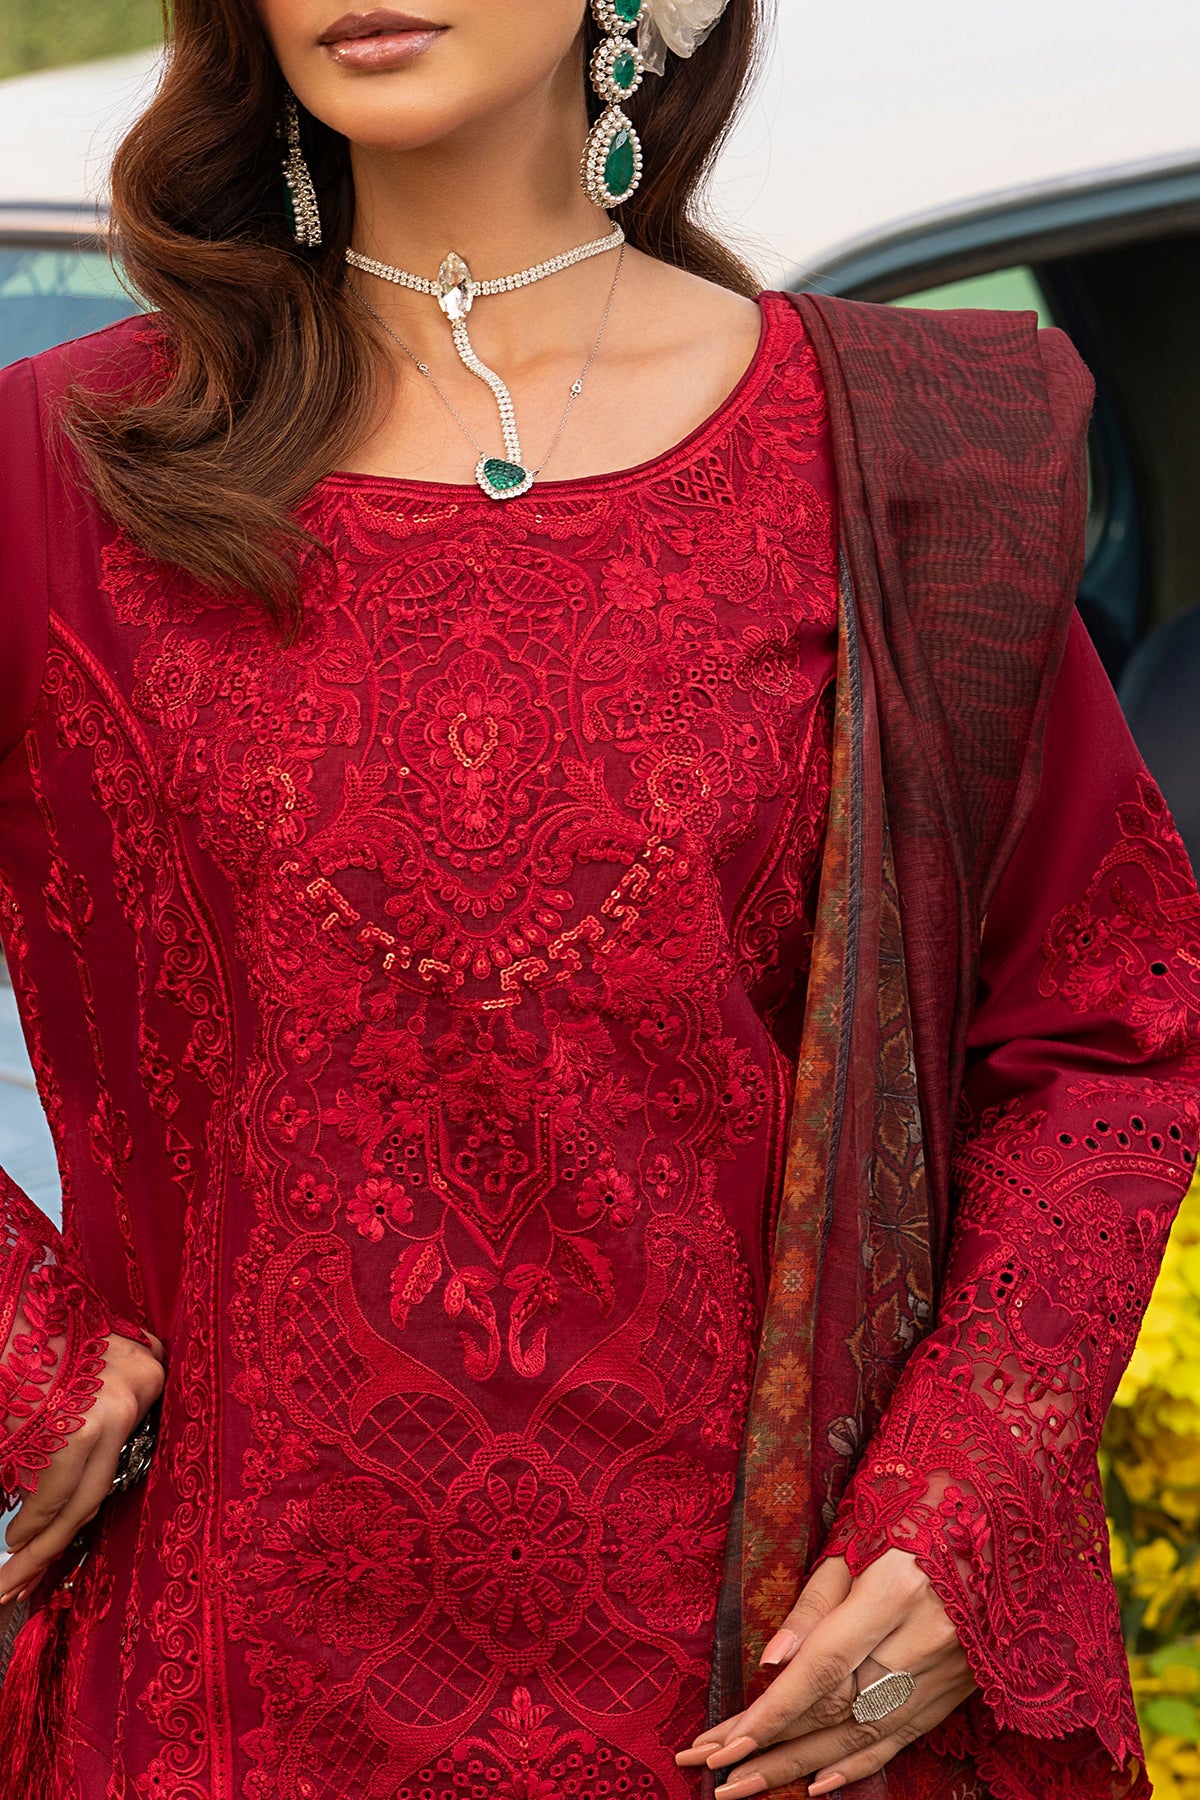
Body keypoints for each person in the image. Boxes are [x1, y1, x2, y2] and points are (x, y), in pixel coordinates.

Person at [0, 2, 1196, 1796]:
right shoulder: (73, 467)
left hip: (770, 1696)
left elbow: (1109, 1023)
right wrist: (19, 1347)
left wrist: (972, 1492)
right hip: (228, 1704)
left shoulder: (904, 459)